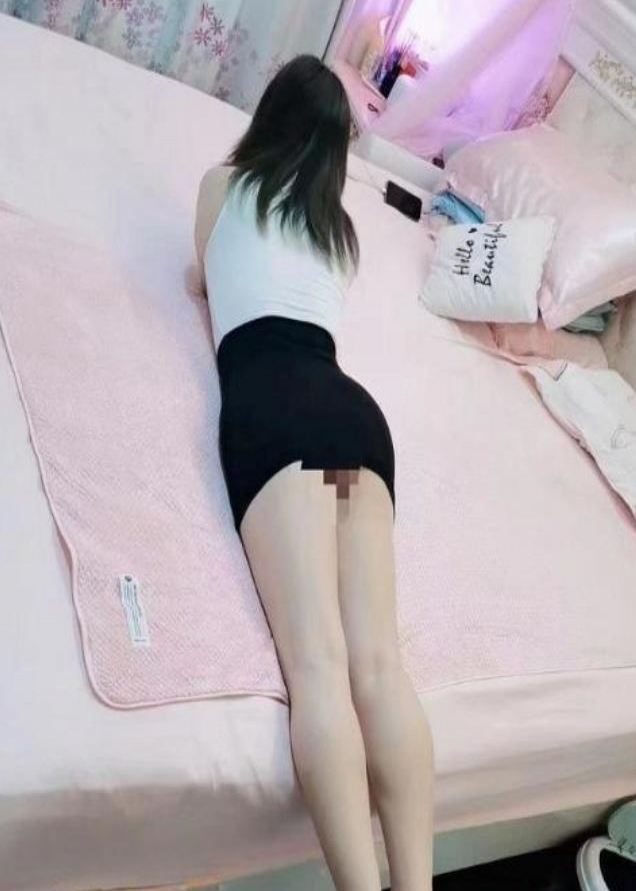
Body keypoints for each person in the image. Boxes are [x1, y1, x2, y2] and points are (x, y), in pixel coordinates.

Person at [194, 55, 435, 891]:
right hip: (351, 426)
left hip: (279, 414)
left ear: (270, 117)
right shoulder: (341, 235)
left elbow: (202, 278)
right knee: (379, 666)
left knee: (320, 668)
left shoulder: (223, 186)